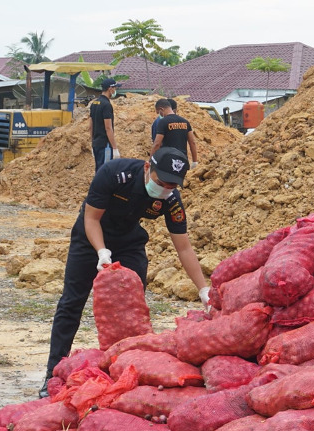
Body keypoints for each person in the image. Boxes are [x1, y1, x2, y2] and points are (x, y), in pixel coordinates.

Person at [44, 147, 210, 392]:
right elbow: (91, 219)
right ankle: (52, 375)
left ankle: (124, 372)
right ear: (147, 168)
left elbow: (184, 247)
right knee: (71, 303)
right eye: (160, 182)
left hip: (129, 241)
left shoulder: (171, 199)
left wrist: (204, 290)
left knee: (131, 311)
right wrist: (101, 251)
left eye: (172, 186)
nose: (165, 189)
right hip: (90, 236)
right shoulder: (114, 174)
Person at [151, 98, 199, 165]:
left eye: (159, 113)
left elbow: (157, 144)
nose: (159, 115)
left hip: (167, 160)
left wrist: (151, 162)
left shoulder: (162, 122)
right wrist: (194, 161)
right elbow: (192, 142)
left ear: (161, 109)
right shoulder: (185, 122)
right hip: (182, 161)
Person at [88, 77, 120, 170]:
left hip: (96, 144)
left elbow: (90, 126)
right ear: (110, 88)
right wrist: (114, 148)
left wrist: (92, 142)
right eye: (115, 88)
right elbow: (108, 128)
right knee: (105, 171)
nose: (115, 90)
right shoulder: (106, 105)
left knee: (99, 170)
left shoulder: (94, 103)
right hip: (105, 145)